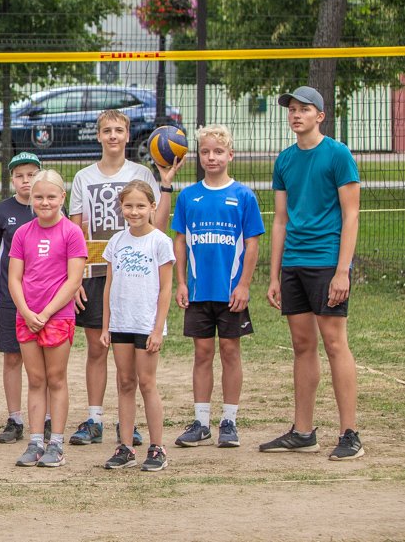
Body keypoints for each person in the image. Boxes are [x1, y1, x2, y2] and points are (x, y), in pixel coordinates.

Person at [261, 87, 363, 460]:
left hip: (326, 262)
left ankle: (349, 433)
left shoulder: (337, 154)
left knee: (335, 343)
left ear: (320, 115)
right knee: (302, 346)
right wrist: (274, 275)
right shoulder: (285, 160)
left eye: (304, 109)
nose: (296, 115)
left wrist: (342, 271)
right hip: (294, 263)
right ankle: (303, 431)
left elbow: (351, 215)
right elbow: (281, 220)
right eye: (292, 109)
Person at [67, 108, 178, 448]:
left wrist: (165, 184)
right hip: (97, 273)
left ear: (128, 135)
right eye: (106, 130)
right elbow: (75, 231)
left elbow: (158, 227)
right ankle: (95, 419)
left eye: (119, 130)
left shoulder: (142, 172)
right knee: (97, 350)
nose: (113, 135)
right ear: (98, 135)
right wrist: (76, 280)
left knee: (136, 370)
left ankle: (126, 428)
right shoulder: (83, 178)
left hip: (137, 277)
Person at [171, 124, 264, 449]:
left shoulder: (243, 196)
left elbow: (252, 244)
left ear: (230, 155)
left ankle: (229, 421)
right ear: (199, 156)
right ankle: (201, 421)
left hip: (231, 292)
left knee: (230, 351)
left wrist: (244, 285)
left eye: (218, 151)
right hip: (198, 291)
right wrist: (181, 282)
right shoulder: (188, 196)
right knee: (202, 353)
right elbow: (180, 242)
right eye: (206, 152)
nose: (212, 157)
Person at [9, 170, 86, 469]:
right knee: (36, 379)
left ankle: (56, 445)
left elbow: (73, 279)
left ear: (62, 197)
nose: (44, 202)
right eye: (38, 197)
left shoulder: (71, 232)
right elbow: (14, 278)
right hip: (27, 318)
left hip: (57, 317)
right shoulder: (22, 233)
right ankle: (35, 442)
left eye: (51, 196)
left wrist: (47, 313)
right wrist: (27, 313)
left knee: (56, 379)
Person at [100, 181, 174, 472]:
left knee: (147, 383)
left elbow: (166, 289)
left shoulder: (159, 241)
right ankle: (126, 447)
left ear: (152, 207)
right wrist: (106, 326)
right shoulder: (116, 241)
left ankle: (157, 448)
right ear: (121, 208)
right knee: (125, 383)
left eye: (141, 205)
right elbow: (109, 285)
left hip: (146, 324)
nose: (134, 211)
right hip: (121, 323)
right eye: (128, 206)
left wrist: (158, 329)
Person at [0, 152, 49, 445]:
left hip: (46, 299)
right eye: (20, 175)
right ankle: (15, 418)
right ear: (12, 179)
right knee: (12, 358)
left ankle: (45, 417)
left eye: (32, 174)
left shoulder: (47, 209)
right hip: (11, 299)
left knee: (45, 361)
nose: (26, 180)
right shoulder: (1, 211)